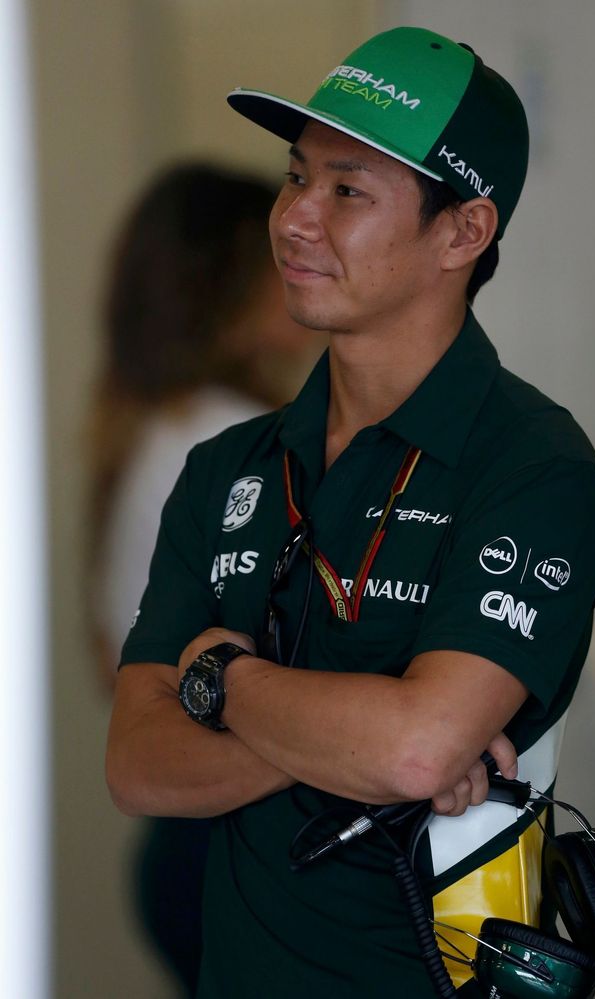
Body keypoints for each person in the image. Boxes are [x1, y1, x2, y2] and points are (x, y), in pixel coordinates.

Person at [106, 27, 595, 998]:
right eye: (295, 176)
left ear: (462, 232)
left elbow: (418, 743)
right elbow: (136, 764)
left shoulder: (531, 465)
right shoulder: (228, 466)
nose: (294, 217)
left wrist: (217, 678)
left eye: (346, 190)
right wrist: (369, 745)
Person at [88, 162, 310, 994]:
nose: (304, 245)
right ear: (224, 283)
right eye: (274, 247)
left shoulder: (156, 426)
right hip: (228, 840)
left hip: (186, 842)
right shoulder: (234, 444)